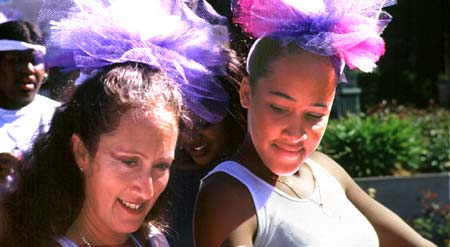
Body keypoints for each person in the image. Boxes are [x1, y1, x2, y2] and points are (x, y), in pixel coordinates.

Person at [193, 0, 437, 246]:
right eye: (279, 108)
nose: (295, 132)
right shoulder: (227, 194)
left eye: (315, 114)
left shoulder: (325, 170)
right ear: (246, 93)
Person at [0, 0, 230, 246]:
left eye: (161, 166)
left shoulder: (153, 240)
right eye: (129, 161)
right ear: (82, 152)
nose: (146, 190)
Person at [166, 48, 247, 247]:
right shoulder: (165, 184)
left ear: (232, 114)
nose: (191, 137)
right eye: (182, 124)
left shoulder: (257, 174)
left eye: (204, 122)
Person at [0, 18, 60, 156]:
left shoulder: (61, 118)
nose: (28, 69)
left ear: (46, 70)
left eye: (36, 61)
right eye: (16, 60)